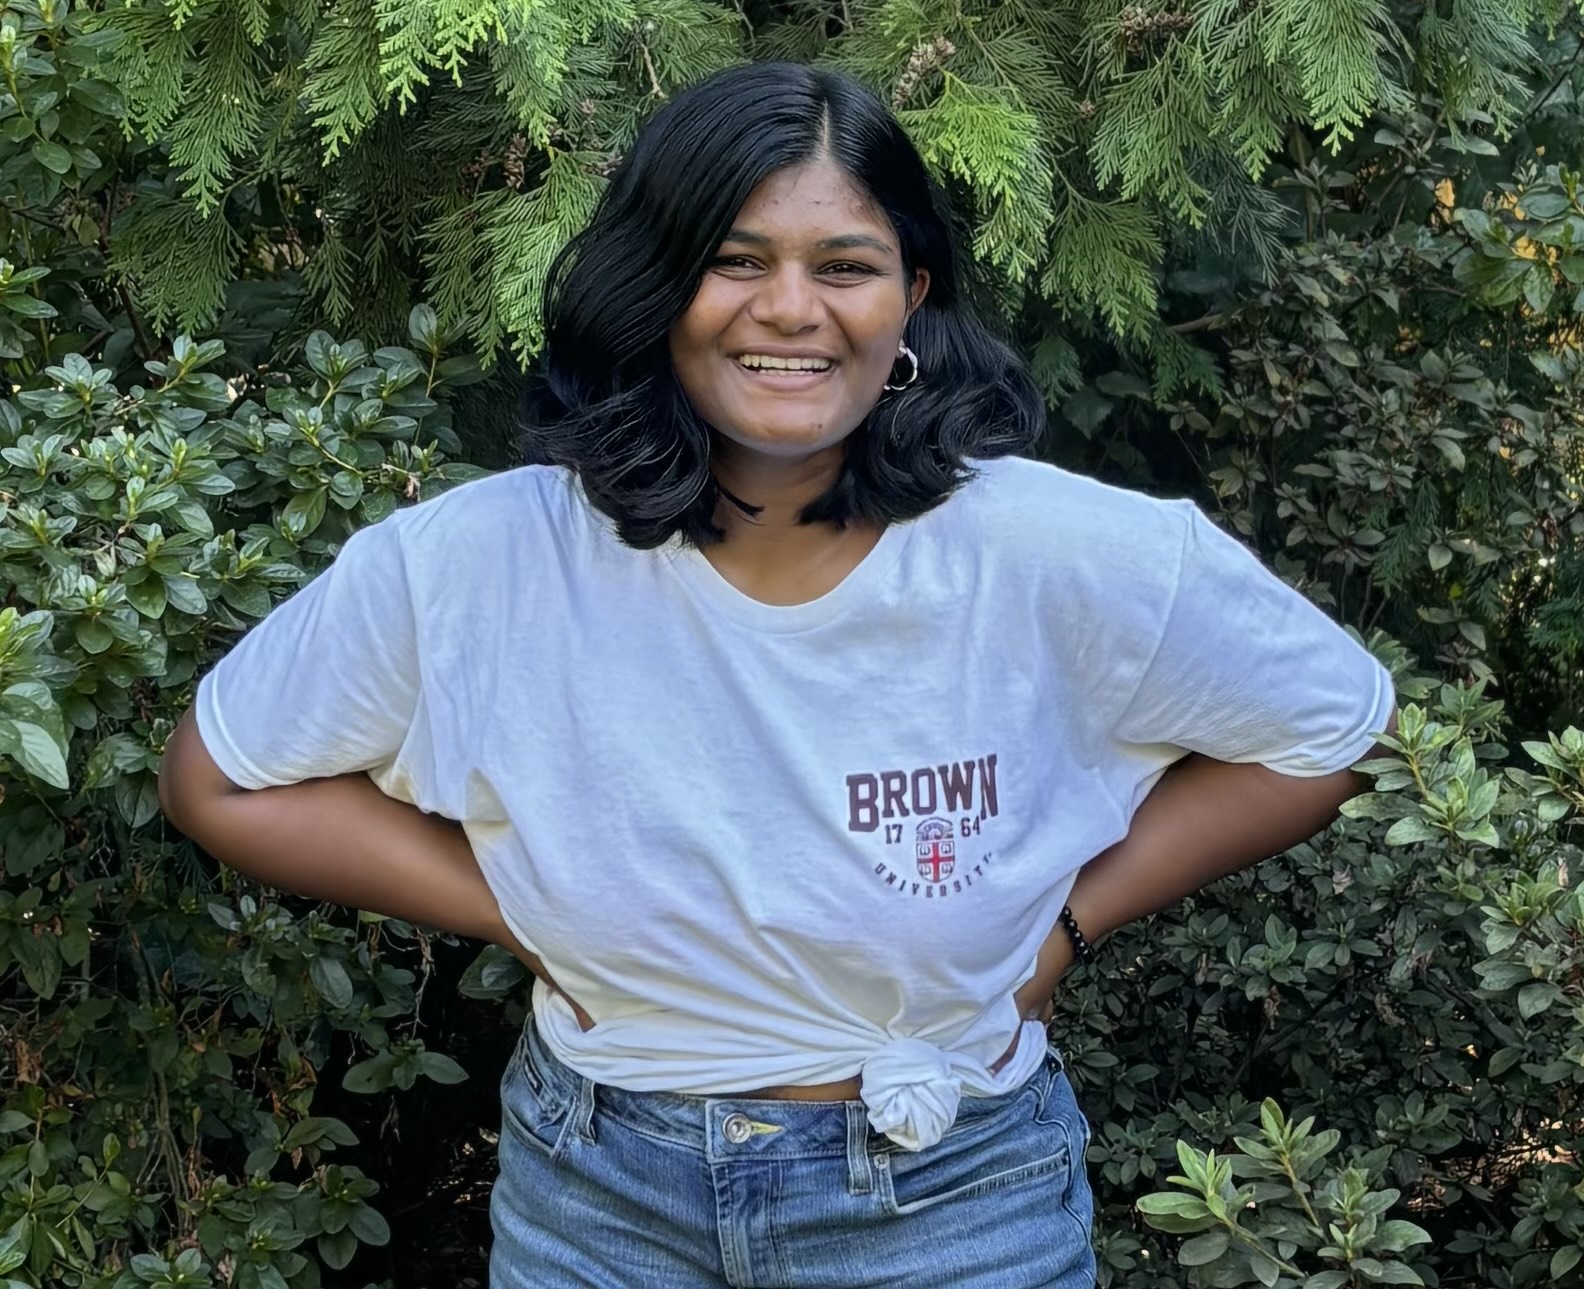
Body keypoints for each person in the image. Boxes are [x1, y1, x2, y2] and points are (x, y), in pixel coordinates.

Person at [158, 61, 1396, 1289]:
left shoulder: (1058, 553)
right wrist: (515, 909)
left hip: (953, 1196)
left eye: (845, 266)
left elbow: (1329, 729)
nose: (791, 309)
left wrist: (1072, 922)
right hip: (597, 1194)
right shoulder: (478, 564)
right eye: (735, 260)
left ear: (912, 294)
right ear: (655, 285)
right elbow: (223, 779)